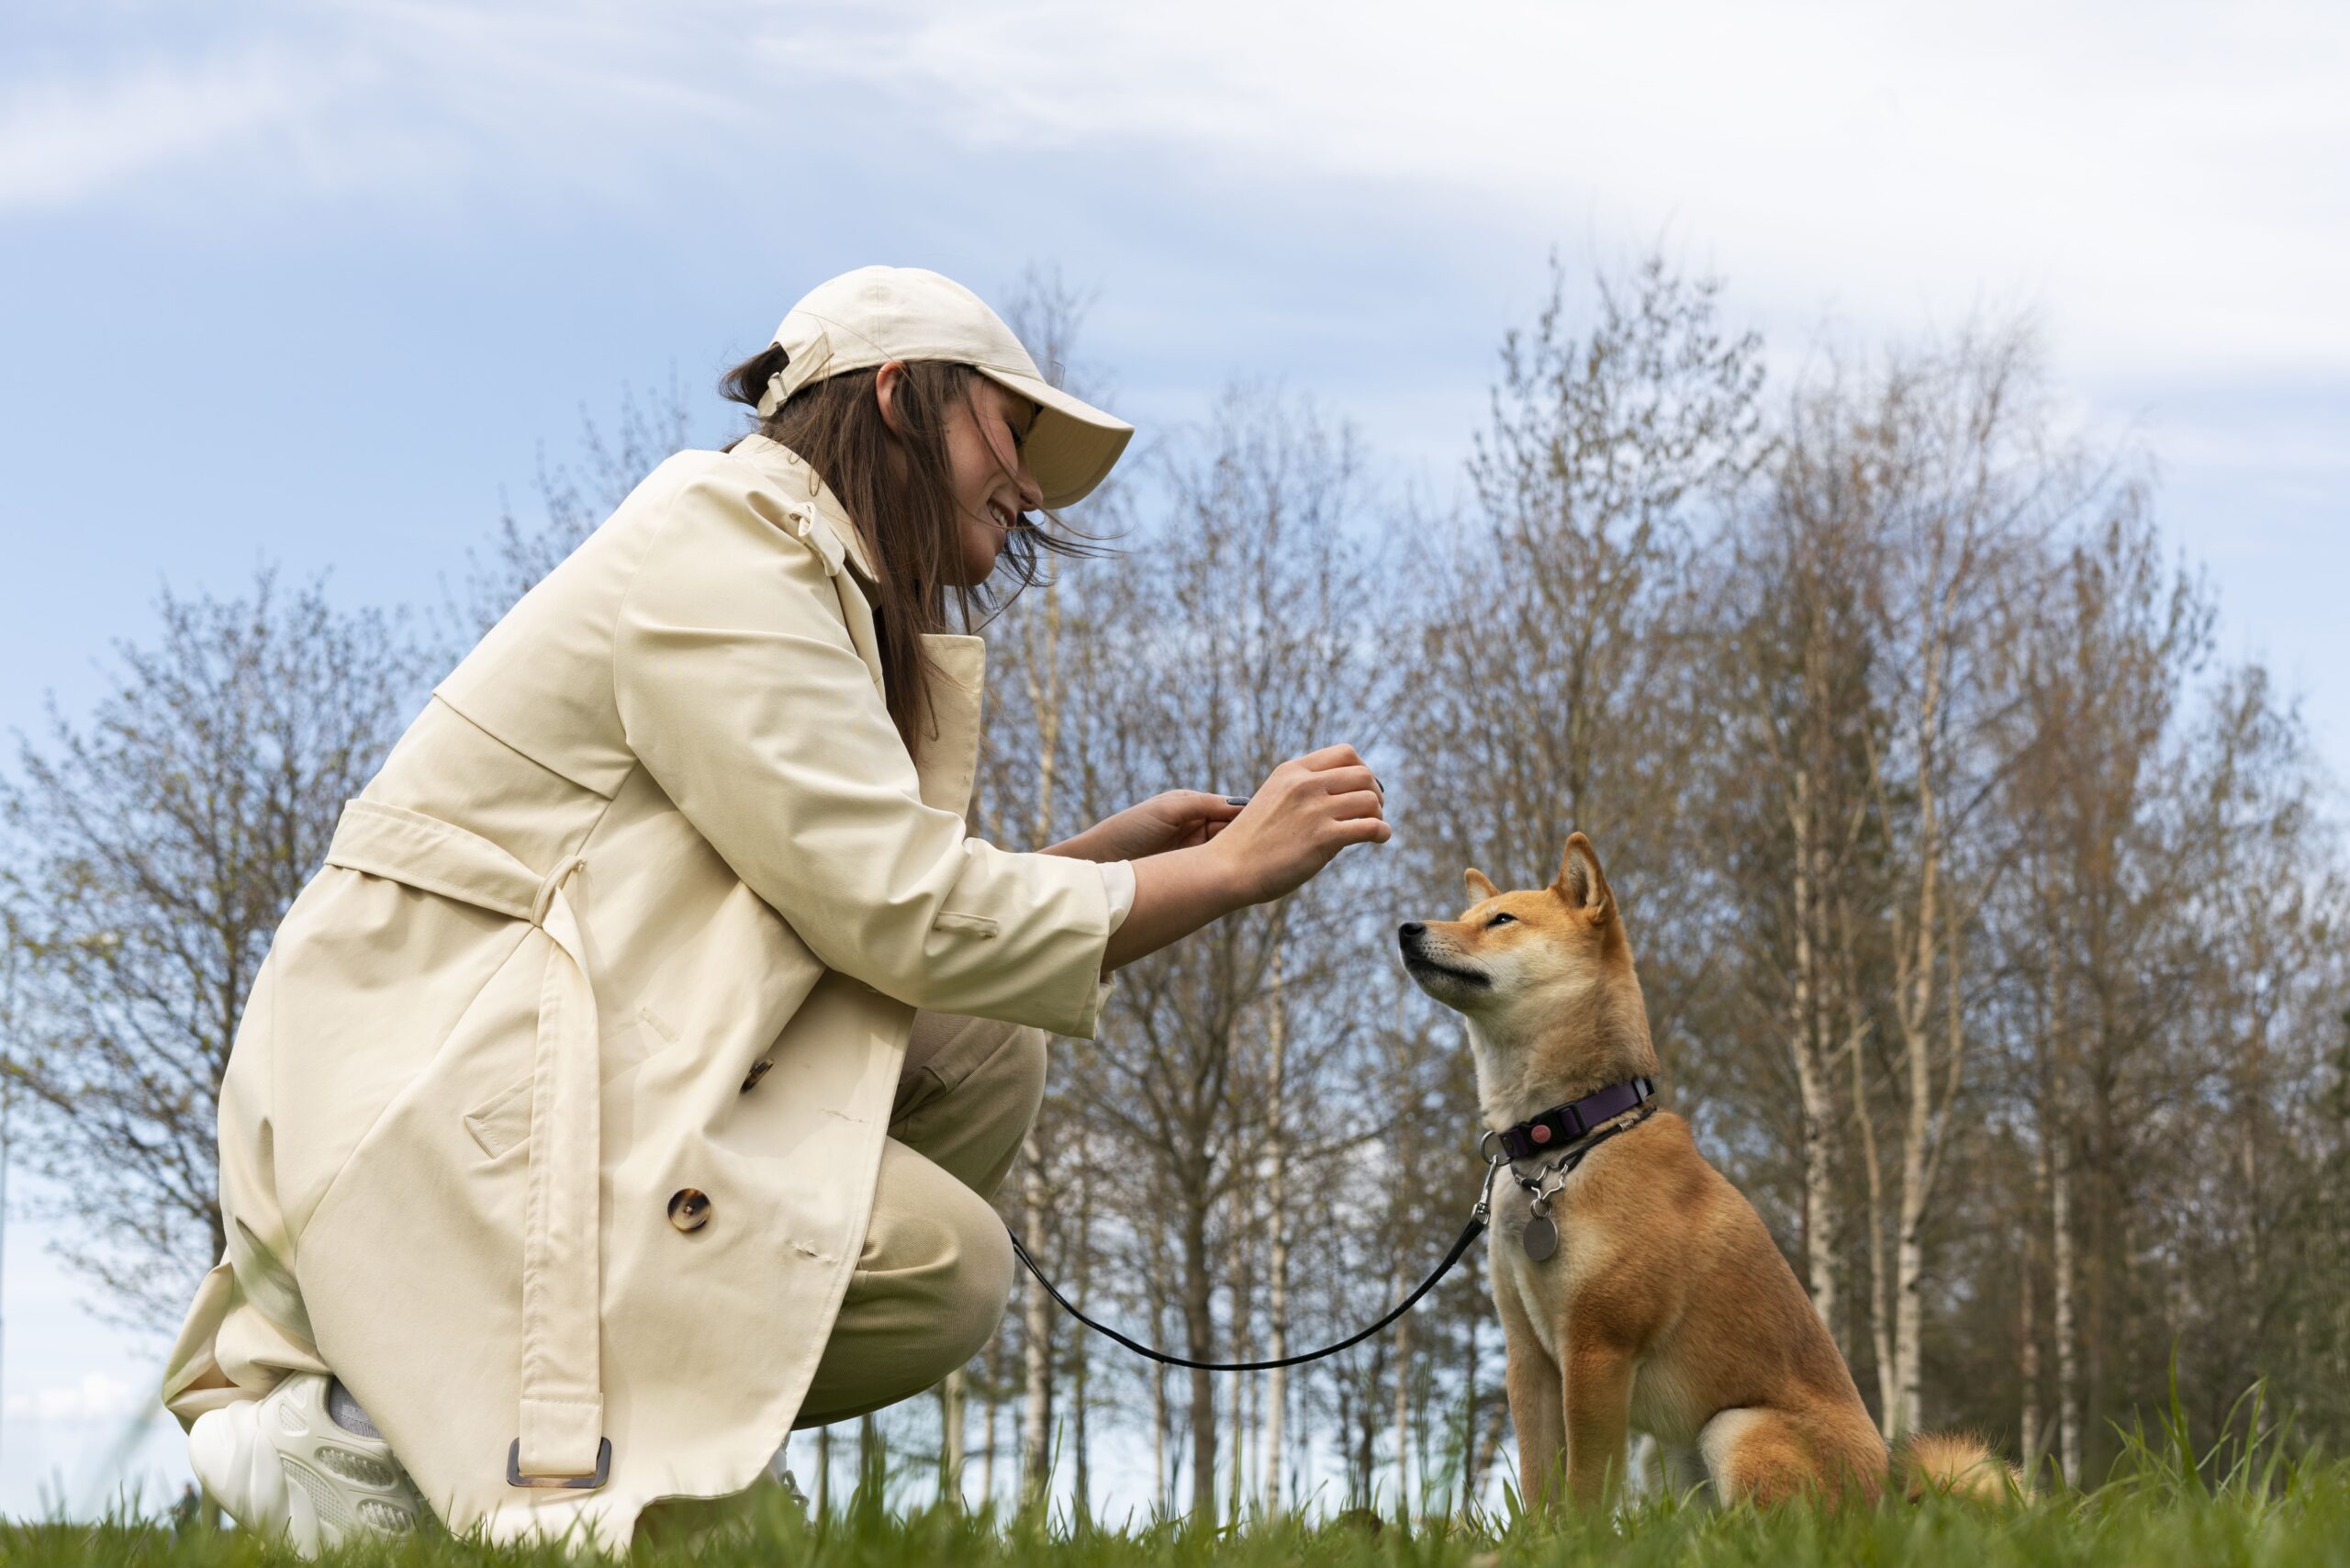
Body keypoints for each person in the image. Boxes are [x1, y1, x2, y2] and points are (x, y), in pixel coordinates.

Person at [159, 265, 1389, 1551]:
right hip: (428, 1109)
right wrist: (1221, 872)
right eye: (1007, 433)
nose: (1025, 485)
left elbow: (854, 907)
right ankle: (360, 1425)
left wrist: (1105, 861)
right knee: (942, 1264)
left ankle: (656, 1444)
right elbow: (891, 908)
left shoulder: (796, 576)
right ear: (902, 395)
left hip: (541, 1079)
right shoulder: (725, 538)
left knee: (983, 1046)